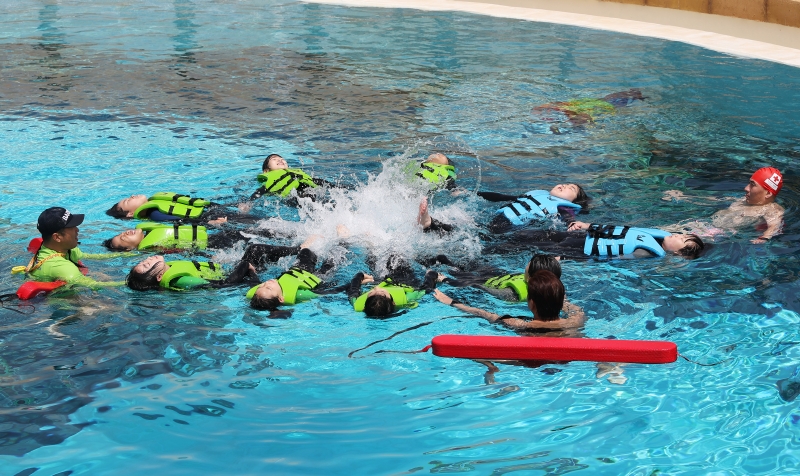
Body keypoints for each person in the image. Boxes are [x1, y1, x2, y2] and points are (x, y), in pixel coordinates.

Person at [433, 270, 585, 332]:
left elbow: (482, 313)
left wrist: (451, 302)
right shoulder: (576, 320)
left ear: (531, 303)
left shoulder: (521, 324)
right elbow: (571, 307)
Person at [663, 167, 785, 243]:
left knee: (670, 240)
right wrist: (682, 196)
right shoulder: (742, 200)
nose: (746, 188)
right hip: (702, 224)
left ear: (768, 193)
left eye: (753, 185)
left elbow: (775, 226)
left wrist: (763, 238)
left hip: (715, 235)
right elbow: (712, 199)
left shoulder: (772, 209)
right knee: (663, 231)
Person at [489, 221, 704, 259]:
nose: (679, 235)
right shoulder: (653, 236)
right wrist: (586, 225)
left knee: (532, 245)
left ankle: (491, 248)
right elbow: (615, 230)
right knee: (533, 235)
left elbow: (619, 257)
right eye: (684, 234)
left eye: (683, 240)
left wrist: (565, 257)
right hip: (585, 236)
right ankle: (489, 237)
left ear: (678, 254)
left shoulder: (648, 252)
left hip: (583, 248)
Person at [24, 207, 124, 287]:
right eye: (72, 227)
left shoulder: (65, 248)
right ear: (57, 237)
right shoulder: (62, 267)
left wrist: (129, 254)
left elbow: (88, 256)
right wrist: (129, 283)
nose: (77, 230)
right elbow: (94, 285)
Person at [247, 236, 344, 311]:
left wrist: (251, 271)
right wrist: (347, 287)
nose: (266, 283)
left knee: (306, 252)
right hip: (318, 280)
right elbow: (327, 292)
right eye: (269, 287)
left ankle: (308, 246)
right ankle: (343, 240)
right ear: (281, 298)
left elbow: (254, 282)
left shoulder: (261, 293)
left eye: (262, 286)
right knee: (332, 261)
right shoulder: (300, 295)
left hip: (300, 271)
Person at [348, 255, 443, 318]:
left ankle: (368, 245)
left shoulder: (356, 304)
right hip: (404, 280)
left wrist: (361, 276)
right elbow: (427, 289)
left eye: (371, 292)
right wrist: (430, 275)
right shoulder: (408, 299)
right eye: (382, 292)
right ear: (393, 302)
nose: (377, 288)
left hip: (378, 280)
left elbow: (353, 288)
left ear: (364, 307)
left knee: (370, 261)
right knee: (395, 258)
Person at [478, 183, 590, 232]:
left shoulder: (565, 208)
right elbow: (502, 197)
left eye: (571, 188)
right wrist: (479, 194)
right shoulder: (537, 196)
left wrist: (573, 225)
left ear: (574, 201)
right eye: (565, 184)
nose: (565, 186)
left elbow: (568, 219)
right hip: (500, 218)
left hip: (515, 227)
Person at [102, 223, 277, 252]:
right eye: (123, 239)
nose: (124, 233)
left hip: (218, 236)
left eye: (120, 233)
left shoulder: (151, 230)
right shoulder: (152, 247)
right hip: (216, 245)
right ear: (130, 249)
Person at [532, 89, 646, 133]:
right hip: (591, 105)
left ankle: (636, 95)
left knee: (608, 100)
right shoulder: (565, 113)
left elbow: (586, 119)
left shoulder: (566, 112)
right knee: (608, 100)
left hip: (591, 106)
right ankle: (636, 95)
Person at [105, 192, 238, 225]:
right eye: (128, 200)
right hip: (216, 218)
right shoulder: (155, 214)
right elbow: (181, 221)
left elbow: (202, 203)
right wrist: (210, 223)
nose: (133, 196)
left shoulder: (158, 200)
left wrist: (234, 207)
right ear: (130, 214)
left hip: (220, 212)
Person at [250, 154, 341, 200]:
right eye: (274, 159)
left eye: (282, 159)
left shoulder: (294, 173)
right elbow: (261, 191)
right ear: (266, 171)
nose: (280, 160)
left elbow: (314, 181)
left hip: (307, 190)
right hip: (291, 198)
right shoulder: (271, 179)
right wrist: (248, 203)